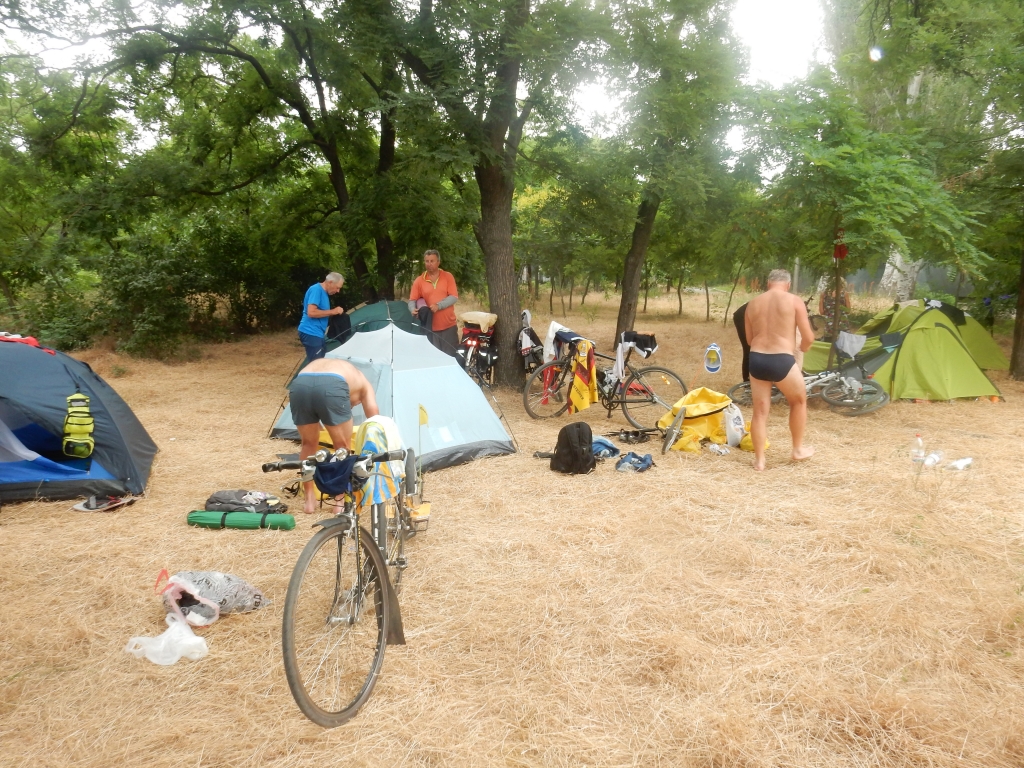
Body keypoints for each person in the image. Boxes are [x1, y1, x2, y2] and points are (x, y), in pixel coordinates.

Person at [744, 268, 815, 471]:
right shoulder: (794, 301)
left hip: (757, 359)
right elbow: (808, 337)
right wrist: (803, 348)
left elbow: (749, 340)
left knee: (760, 411)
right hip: (781, 359)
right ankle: (797, 449)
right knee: (798, 401)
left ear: (768, 283)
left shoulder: (752, 304)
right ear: (788, 284)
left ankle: (759, 461)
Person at [287, 358, 379, 513]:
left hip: (300, 384)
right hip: (333, 385)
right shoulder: (364, 384)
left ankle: (309, 500)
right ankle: (339, 501)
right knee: (342, 447)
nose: (351, 406)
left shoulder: (345, 371)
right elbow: (375, 420)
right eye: (353, 405)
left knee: (308, 444)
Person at [409, 250, 459, 356]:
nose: (429, 264)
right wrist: (412, 309)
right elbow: (412, 300)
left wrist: (438, 306)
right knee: (434, 358)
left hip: (449, 326)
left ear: (438, 262)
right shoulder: (419, 281)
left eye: (432, 261)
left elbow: (454, 297)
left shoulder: (448, 276)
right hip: (430, 329)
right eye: (426, 261)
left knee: (451, 358)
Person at [297, 272, 345, 366]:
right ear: (330, 282)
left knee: (322, 362)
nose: (338, 291)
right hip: (310, 332)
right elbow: (311, 312)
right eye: (337, 287)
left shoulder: (323, 293)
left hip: (317, 333)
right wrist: (333, 311)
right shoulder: (316, 290)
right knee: (316, 365)